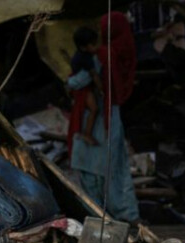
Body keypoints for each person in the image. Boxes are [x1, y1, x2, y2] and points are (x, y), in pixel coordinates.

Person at [66, 11, 139, 222]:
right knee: (116, 167)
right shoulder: (124, 51)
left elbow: (78, 82)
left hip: (99, 118)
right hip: (112, 115)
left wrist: (69, 82)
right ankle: (124, 212)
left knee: (92, 168)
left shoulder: (101, 55)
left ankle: (96, 212)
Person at [69, 26, 101, 147]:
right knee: (94, 109)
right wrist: (102, 89)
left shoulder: (79, 55)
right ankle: (87, 134)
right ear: (83, 47)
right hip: (83, 90)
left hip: (80, 87)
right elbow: (95, 76)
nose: (96, 47)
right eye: (93, 45)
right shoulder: (86, 59)